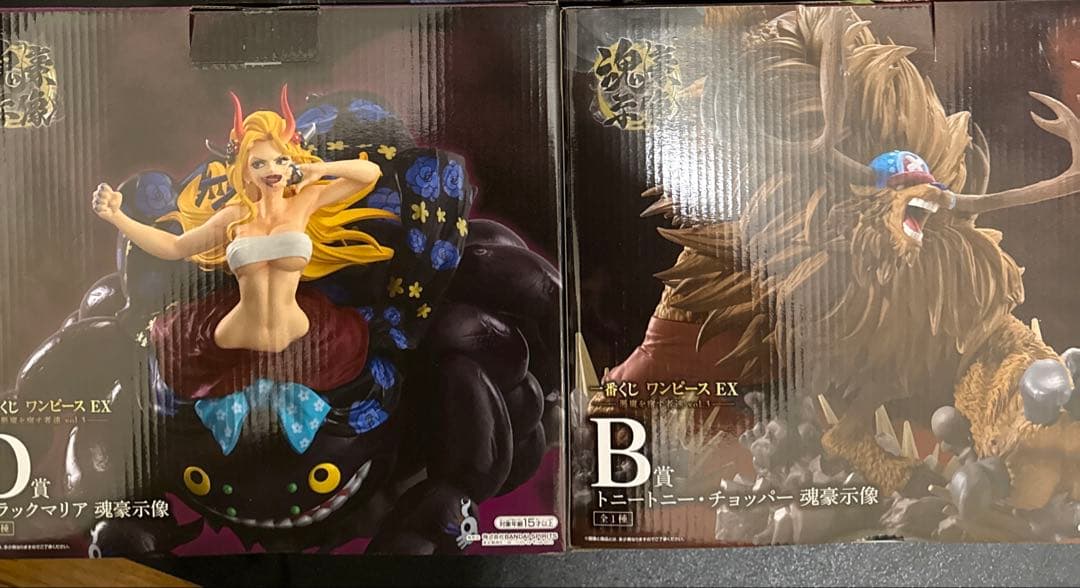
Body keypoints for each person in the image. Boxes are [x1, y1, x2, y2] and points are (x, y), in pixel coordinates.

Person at [90, 85, 397, 412]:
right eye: (259, 163)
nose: (272, 171)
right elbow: (175, 247)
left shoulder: (304, 202)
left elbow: (370, 174)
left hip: (298, 335)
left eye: (280, 160)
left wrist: (319, 169)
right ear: (245, 171)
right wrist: (117, 217)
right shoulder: (234, 215)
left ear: (291, 162)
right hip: (233, 336)